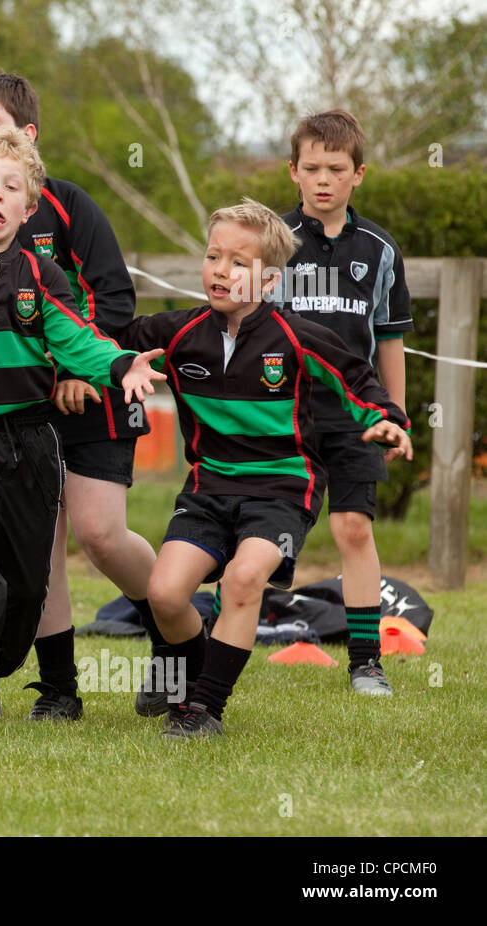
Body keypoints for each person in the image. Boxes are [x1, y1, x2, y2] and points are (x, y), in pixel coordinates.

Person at [115, 199, 412, 739]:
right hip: (208, 488)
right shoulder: (176, 333)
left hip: (281, 488)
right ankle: (191, 669)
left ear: (270, 280)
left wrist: (388, 418)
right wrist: (108, 364)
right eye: (213, 257)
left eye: (238, 263)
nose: (221, 271)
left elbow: (357, 377)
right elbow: (102, 340)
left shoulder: (297, 338)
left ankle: (204, 709)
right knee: (163, 594)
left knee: (244, 579)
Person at [0, 74, 164, 719]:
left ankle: (173, 633)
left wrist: (85, 371)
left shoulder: (71, 209)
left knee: (99, 534)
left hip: (92, 389)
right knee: (41, 543)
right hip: (16, 411)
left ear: (28, 141)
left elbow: (110, 301)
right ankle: (57, 689)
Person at [279, 110, 412, 695]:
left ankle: (365, 664)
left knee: (354, 527)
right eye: (312, 168)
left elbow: (390, 341)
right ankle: (214, 640)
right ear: (294, 172)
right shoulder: (271, 243)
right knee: (262, 536)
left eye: (336, 168)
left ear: (359, 174)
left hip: (356, 417)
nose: (323, 179)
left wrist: (394, 414)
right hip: (282, 413)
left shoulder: (380, 250)